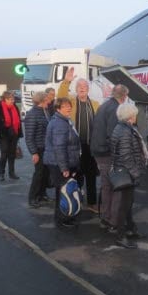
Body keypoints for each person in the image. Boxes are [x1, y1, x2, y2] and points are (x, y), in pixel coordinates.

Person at [57, 67, 100, 213]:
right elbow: (60, 97)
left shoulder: (95, 104)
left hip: (91, 146)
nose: (82, 88)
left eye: (85, 86)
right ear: (76, 89)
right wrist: (66, 82)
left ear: (88, 89)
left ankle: (92, 203)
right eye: (80, 86)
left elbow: (100, 123)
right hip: (75, 147)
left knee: (91, 175)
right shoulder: (71, 101)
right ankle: (76, 202)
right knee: (77, 175)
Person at [91, 83, 129, 231]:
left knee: (106, 186)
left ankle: (106, 216)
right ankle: (112, 220)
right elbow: (112, 136)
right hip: (106, 153)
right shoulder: (115, 109)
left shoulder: (105, 105)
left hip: (99, 151)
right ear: (124, 96)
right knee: (113, 186)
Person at [110, 104, 148, 249]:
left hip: (125, 171)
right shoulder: (126, 131)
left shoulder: (121, 128)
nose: (136, 116)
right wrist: (136, 173)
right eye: (135, 114)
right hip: (126, 172)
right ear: (130, 116)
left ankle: (131, 229)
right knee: (124, 205)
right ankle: (120, 236)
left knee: (128, 203)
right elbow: (126, 157)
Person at [44, 97, 82, 228]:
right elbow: (59, 147)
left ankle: (64, 216)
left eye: (69, 105)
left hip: (63, 162)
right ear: (58, 109)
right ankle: (62, 218)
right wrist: (64, 168)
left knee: (64, 191)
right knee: (63, 191)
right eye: (65, 106)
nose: (69, 108)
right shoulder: (60, 124)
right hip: (59, 164)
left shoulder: (65, 121)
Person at [24, 91, 50, 207]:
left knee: (45, 173)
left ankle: (42, 194)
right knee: (38, 174)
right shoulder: (32, 114)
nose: (49, 101)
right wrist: (34, 152)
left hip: (46, 148)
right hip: (39, 149)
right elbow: (29, 137)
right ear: (42, 101)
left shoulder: (44, 111)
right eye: (47, 99)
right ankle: (32, 197)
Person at [0, 91, 23, 181]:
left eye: (13, 99)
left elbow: (18, 121)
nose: (13, 101)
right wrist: (2, 129)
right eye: (11, 99)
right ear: (5, 99)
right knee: (4, 154)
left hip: (14, 134)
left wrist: (18, 133)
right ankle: (1, 173)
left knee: (12, 154)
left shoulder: (15, 107)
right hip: (3, 135)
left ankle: (12, 173)